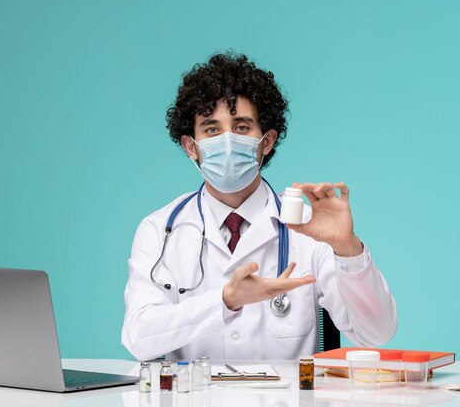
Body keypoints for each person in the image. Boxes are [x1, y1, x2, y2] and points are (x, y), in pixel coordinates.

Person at [121, 53, 397, 361]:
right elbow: (139, 338)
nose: (226, 141)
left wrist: (348, 249)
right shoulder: (160, 230)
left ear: (266, 141)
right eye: (212, 129)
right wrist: (226, 300)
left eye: (241, 127)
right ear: (190, 146)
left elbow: (377, 332)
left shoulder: (310, 228)